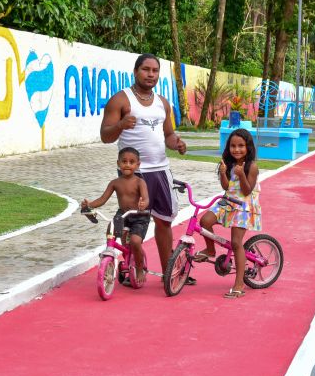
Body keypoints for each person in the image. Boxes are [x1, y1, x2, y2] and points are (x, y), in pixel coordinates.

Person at [100, 53, 188, 282]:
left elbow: (168, 135)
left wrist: (176, 143)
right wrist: (120, 124)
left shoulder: (162, 102)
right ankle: (130, 268)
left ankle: (168, 271)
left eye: (155, 70)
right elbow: (105, 136)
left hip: (160, 170)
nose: (151, 74)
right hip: (133, 174)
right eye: (146, 69)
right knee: (131, 222)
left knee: (164, 221)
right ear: (135, 71)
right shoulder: (121, 100)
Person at [193, 128, 260, 299]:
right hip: (228, 201)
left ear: (248, 147)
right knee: (205, 222)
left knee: (237, 243)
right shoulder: (229, 164)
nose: (236, 149)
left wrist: (241, 175)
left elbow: (246, 191)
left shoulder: (252, 166)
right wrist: (224, 173)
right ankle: (210, 250)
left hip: (244, 205)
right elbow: (226, 187)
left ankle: (239, 284)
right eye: (233, 146)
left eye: (241, 146)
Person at [82, 147, 150, 285]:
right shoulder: (115, 183)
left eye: (132, 162)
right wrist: (90, 205)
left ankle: (139, 268)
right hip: (123, 214)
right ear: (118, 163)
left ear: (138, 165)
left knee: (135, 242)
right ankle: (113, 251)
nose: (127, 165)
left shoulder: (139, 182)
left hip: (138, 215)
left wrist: (144, 204)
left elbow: (146, 198)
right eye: (124, 161)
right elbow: (102, 199)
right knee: (110, 228)